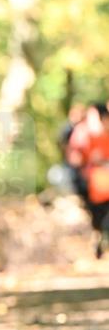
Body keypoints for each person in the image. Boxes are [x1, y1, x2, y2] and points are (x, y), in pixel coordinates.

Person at [66, 101, 109, 258]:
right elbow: (76, 157)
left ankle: (100, 240)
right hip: (93, 185)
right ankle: (98, 240)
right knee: (98, 216)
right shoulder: (85, 133)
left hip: (102, 185)